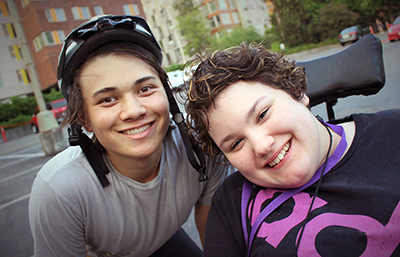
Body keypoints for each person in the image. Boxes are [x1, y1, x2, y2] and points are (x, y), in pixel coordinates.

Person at [28, 15, 233, 257]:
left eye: (145, 89)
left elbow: (212, 238)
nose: (134, 111)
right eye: (107, 99)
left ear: (167, 93)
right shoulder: (60, 190)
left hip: (165, 241)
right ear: (84, 119)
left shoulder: (202, 147)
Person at [184, 42, 400, 256]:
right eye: (236, 144)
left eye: (262, 114)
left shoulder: (392, 133)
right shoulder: (233, 202)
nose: (261, 146)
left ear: (296, 91)